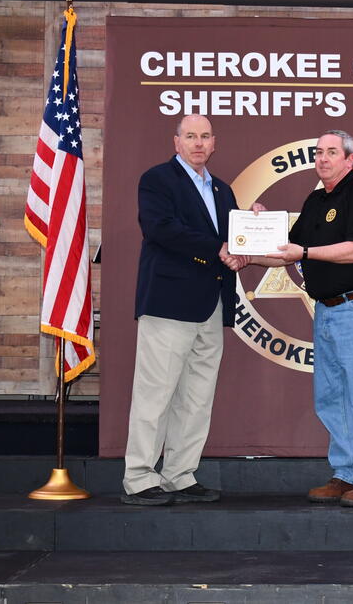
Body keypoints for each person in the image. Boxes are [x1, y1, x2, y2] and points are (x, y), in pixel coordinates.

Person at [232, 130, 353, 507]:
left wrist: (303, 249)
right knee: (331, 397)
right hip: (326, 309)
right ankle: (347, 473)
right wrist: (249, 250)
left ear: (349, 160)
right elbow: (286, 253)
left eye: (331, 153)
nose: (322, 159)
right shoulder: (315, 200)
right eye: (318, 152)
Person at [121, 114, 244, 506]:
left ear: (214, 143)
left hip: (211, 306)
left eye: (205, 136)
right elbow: (161, 229)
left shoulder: (224, 192)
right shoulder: (157, 180)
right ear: (176, 142)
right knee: (155, 393)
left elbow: (234, 242)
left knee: (196, 397)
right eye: (190, 136)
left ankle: (179, 474)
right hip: (169, 305)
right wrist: (219, 249)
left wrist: (251, 230)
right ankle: (140, 476)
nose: (198, 143)